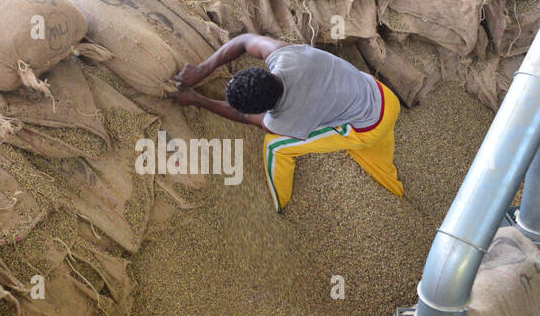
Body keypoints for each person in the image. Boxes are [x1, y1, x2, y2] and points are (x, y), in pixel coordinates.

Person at [173, 33, 405, 212]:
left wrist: (197, 99)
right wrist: (202, 70)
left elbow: (244, 117)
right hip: (382, 96)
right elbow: (245, 40)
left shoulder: (284, 119)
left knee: (276, 148)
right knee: (379, 158)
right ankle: (393, 187)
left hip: (366, 129)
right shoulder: (286, 55)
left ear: (265, 109)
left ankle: (277, 203)